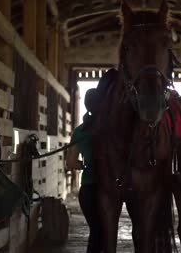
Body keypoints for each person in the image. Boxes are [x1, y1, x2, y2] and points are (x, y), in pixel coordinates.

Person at [66, 88, 103, 253]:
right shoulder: (108, 129)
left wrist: (86, 165)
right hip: (106, 189)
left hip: (87, 190)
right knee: (104, 232)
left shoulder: (79, 131)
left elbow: (71, 162)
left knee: (95, 232)